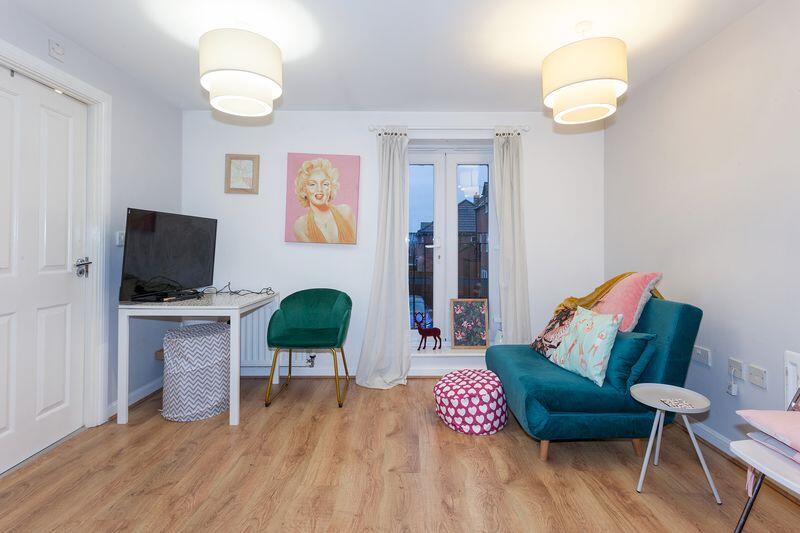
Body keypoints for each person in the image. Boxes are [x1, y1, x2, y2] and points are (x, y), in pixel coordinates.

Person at [293, 158, 356, 244]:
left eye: (325, 184)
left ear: (331, 187)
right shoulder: (301, 225)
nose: (319, 189)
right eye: (312, 184)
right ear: (304, 190)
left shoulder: (345, 212)